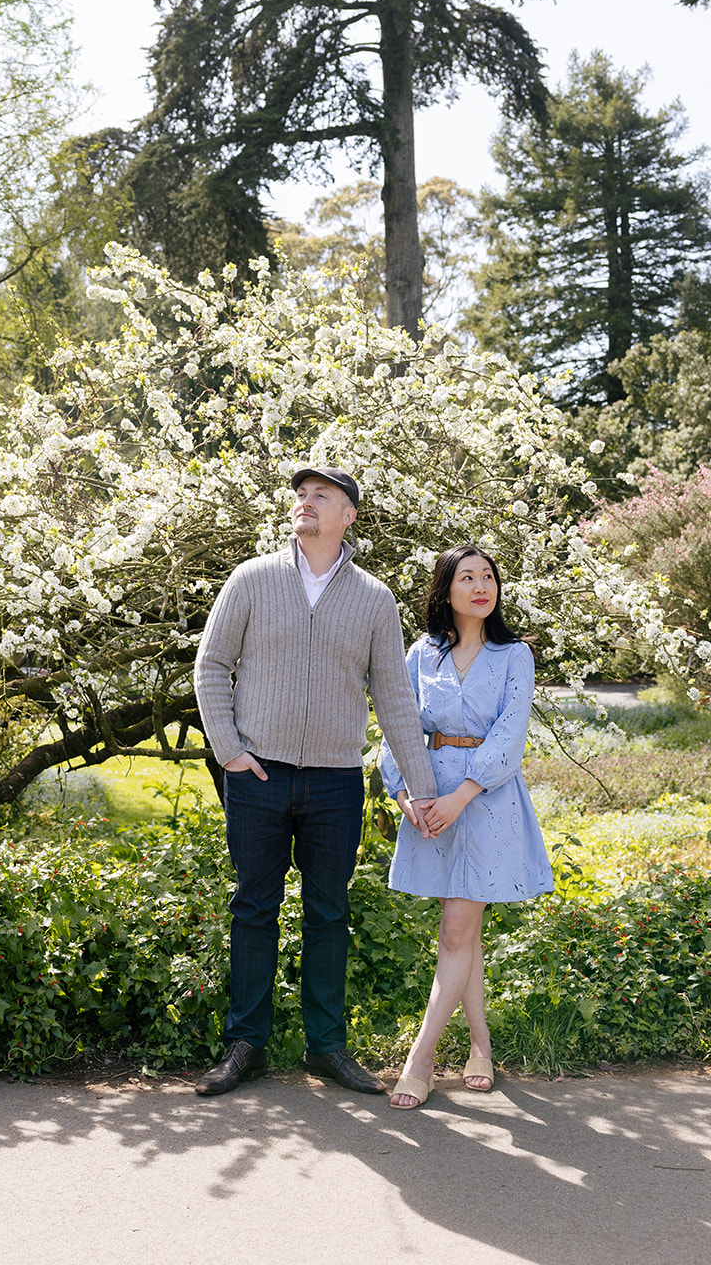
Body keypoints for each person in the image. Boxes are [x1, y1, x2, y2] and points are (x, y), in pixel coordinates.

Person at [193, 464, 437, 1097]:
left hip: (335, 781)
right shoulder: (251, 579)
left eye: (321, 496)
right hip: (258, 775)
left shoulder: (374, 599)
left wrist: (422, 787)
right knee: (253, 908)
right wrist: (230, 751)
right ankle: (246, 1044)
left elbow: (394, 698)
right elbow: (211, 666)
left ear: (348, 515)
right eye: (300, 495)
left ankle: (326, 1047)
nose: (305, 503)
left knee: (329, 913)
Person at [379, 544, 553, 1109]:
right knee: (464, 929)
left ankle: (421, 1058)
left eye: (489, 577)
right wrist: (406, 793)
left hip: (485, 799)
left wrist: (461, 796)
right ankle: (481, 1045)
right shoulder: (420, 654)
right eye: (468, 577)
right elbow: (397, 721)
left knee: (455, 930)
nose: (481, 586)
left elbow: (509, 734)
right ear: (446, 590)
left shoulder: (513, 656)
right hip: (428, 796)